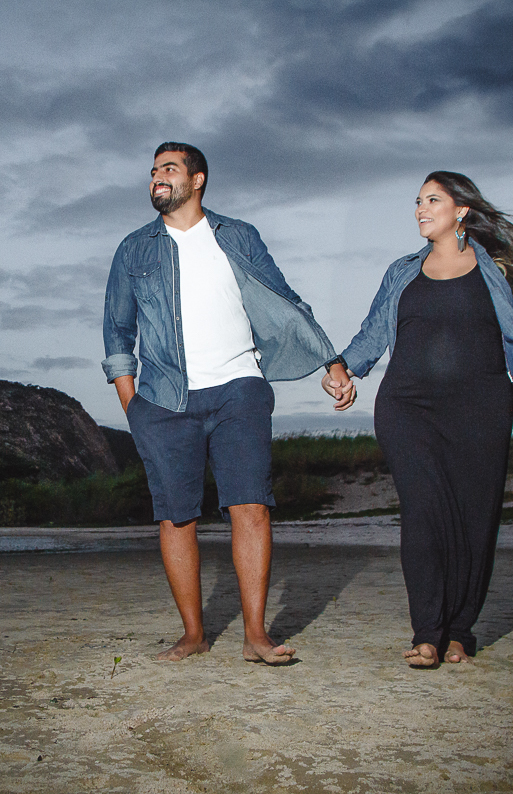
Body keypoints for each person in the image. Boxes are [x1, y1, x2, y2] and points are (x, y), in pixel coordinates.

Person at [102, 142, 352, 664]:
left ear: (198, 180)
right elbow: (117, 334)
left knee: (251, 508)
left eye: (168, 170)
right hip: (165, 399)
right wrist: (134, 408)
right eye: (152, 171)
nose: (156, 179)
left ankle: (255, 635)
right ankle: (193, 635)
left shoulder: (238, 236)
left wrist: (330, 360)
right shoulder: (133, 250)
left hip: (239, 388)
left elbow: (285, 301)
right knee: (176, 518)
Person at [326, 171, 513, 668]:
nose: (419, 208)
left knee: (476, 519)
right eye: (417, 201)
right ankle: (428, 631)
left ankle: (460, 632)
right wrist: (343, 370)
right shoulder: (402, 272)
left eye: (432, 199)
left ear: (461, 210)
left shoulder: (495, 269)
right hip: (407, 408)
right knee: (423, 512)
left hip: (480, 407)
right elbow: (372, 334)